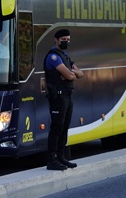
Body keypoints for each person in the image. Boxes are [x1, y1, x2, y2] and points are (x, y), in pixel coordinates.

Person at [44, 29, 84, 171]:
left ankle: (61, 156)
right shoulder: (53, 57)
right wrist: (70, 73)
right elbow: (70, 76)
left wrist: (70, 73)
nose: (66, 42)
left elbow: (80, 74)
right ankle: (52, 159)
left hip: (68, 95)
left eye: (68, 39)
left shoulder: (65, 56)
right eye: (63, 39)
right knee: (56, 127)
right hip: (58, 97)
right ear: (56, 40)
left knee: (65, 127)